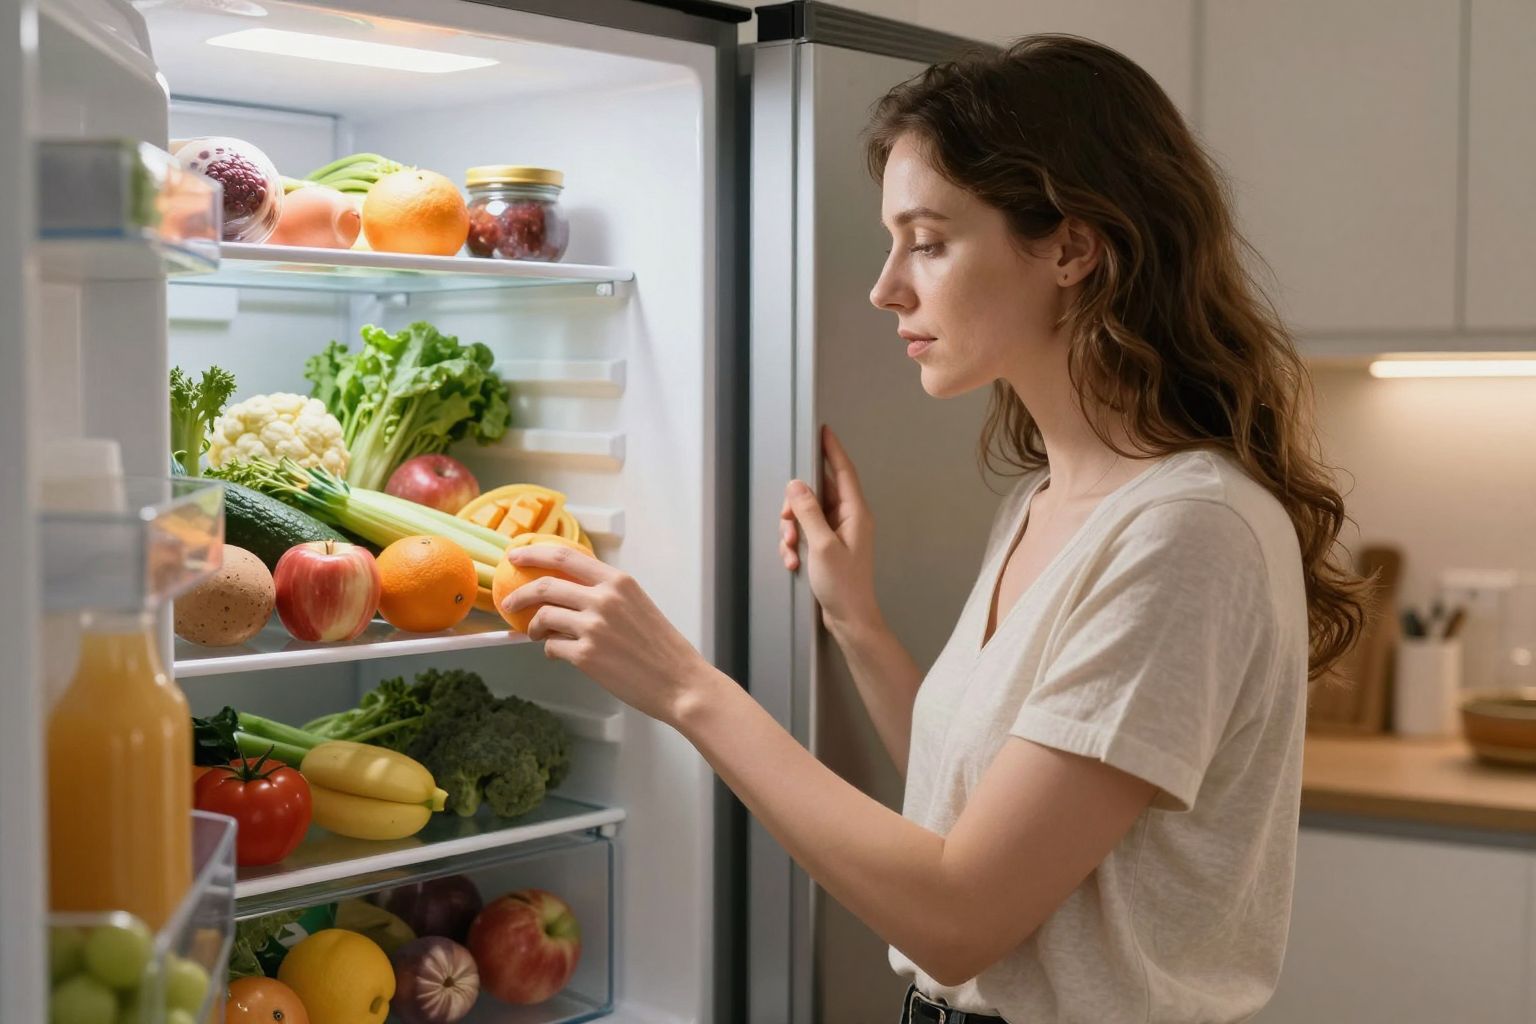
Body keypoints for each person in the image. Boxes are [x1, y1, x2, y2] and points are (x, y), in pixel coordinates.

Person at [500, 34, 1366, 1024]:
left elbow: (961, 912)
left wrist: (688, 688)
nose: (886, 287)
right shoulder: (1048, 499)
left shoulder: (1189, 534)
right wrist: (857, 621)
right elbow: (983, 811)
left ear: (1074, 247)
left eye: (930, 240)